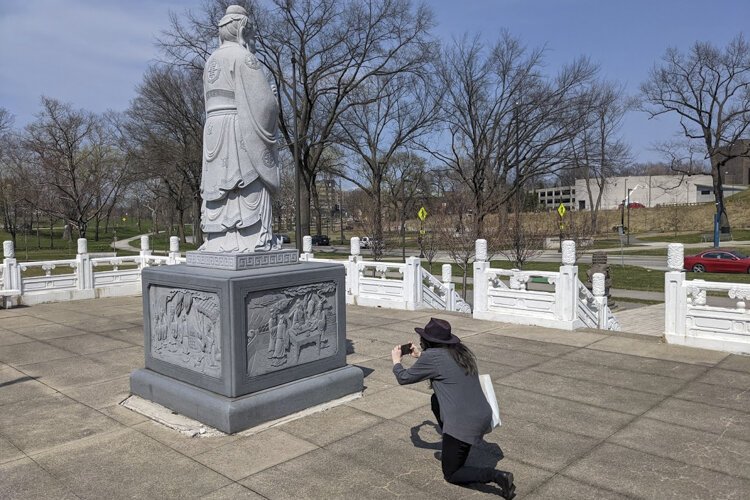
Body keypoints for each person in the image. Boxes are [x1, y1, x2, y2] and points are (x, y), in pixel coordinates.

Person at [391, 317, 515, 499]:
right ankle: (453, 445)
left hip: (464, 423)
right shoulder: (459, 352)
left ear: (428, 342)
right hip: (482, 414)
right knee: (436, 399)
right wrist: (420, 356)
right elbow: (444, 368)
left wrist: (396, 361)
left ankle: (497, 476)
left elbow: (404, 377)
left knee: (452, 473)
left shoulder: (433, 357)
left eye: (422, 338)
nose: (420, 341)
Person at [199, 5, 281, 252]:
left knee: (220, 185)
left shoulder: (210, 61)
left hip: (213, 128)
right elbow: (262, 104)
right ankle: (255, 238)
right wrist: (274, 101)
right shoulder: (243, 57)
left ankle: (217, 241)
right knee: (248, 181)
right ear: (243, 30)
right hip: (237, 127)